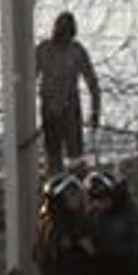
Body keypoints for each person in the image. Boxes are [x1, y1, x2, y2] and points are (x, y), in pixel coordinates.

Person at [33, 12, 102, 175]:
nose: (64, 36)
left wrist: (95, 112)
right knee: (54, 158)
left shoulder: (76, 51)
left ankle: (74, 189)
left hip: (70, 111)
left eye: (67, 32)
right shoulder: (44, 50)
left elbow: (93, 83)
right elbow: (30, 79)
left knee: (75, 159)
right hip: (50, 111)